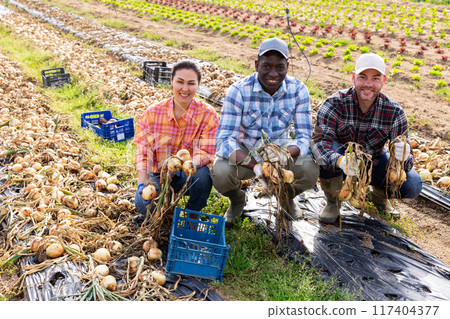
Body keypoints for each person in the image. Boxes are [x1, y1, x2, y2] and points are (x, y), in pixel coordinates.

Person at [211, 38, 319, 226]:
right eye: (266, 66)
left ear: (288, 66)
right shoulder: (238, 91)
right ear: (256, 65)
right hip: (247, 150)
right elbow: (224, 139)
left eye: (280, 67)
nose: (273, 73)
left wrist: (285, 155)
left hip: (281, 149)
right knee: (220, 173)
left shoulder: (298, 90)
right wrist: (255, 166)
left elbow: (304, 137)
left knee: (310, 169)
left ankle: (285, 197)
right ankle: (237, 200)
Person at [310, 53, 422, 224]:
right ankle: (333, 201)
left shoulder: (395, 112)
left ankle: (378, 196)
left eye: (375, 78)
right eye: (363, 77)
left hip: (373, 160)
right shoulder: (334, 103)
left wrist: (403, 156)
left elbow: (405, 164)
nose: (368, 84)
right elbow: (319, 145)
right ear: (354, 77)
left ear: (383, 80)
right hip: (341, 159)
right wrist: (341, 161)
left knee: (412, 184)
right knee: (327, 154)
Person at [134, 60, 219, 224]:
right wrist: (142, 184)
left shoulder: (208, 114)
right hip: (158, 173)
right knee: (144, 207)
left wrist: (190, 163)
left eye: (191, 83)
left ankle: (192, 215)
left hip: (189, 173)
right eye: (180, 82)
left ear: (199, 85)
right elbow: (143, 154)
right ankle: (164, 211)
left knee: (204, 177)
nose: (185, 89)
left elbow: (207, 152)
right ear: (171, 81)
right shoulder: (152, 114)